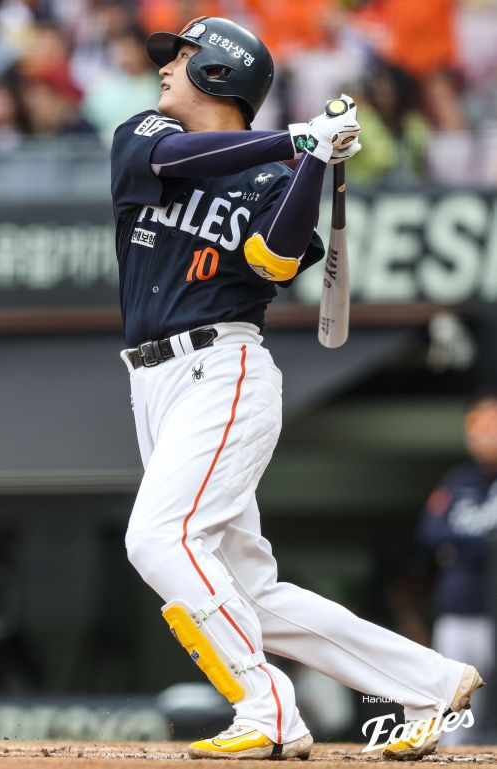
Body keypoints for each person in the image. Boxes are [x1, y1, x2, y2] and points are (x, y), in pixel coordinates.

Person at [110, 16, 483, 761]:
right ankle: (431, 681)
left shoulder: (275, 178)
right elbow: (177, 158)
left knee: (158, 538)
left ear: (219, 72)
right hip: (151, 381)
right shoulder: (145, 132)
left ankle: (268, 708)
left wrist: (314, 160)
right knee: (251, 591)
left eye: (182, 57)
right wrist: (299, 138)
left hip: (222, 370)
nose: (166, 68)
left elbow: (275, 261)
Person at [419, 392, 497, 744]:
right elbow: (430, 532)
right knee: (453, 701)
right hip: (458, 610)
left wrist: (460, 546)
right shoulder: (458, 479)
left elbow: (453, 542)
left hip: (492, 608)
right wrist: (482, 544)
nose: (484, 434)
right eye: (477, 425)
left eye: (492, 425)